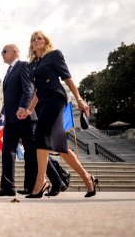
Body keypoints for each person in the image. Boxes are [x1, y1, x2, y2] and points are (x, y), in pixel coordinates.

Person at [22, 31, 98, 198]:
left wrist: (79, 98)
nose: (36, 41)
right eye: (33, 40)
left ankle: (40, 183)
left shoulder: (54, 55)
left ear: (46, 41)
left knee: (40, 135)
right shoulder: (33, 64)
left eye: (39, 38)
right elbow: (37, 91)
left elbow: (67, 77)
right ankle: (88, 178)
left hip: (56, 99)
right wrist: (29, 109)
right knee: (61, 147)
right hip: (43, 102)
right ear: (31, 45)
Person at [0, 44, 38, 196]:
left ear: (15, 52)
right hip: (11, 118)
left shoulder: (23, 65)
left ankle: (31, 186)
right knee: (7, 152)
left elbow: (29, 89)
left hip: (23, 115)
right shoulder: (9, 71)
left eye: (4, 51)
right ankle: (7, 187)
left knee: (31, 151)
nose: (2, 54)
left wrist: (24, 107)